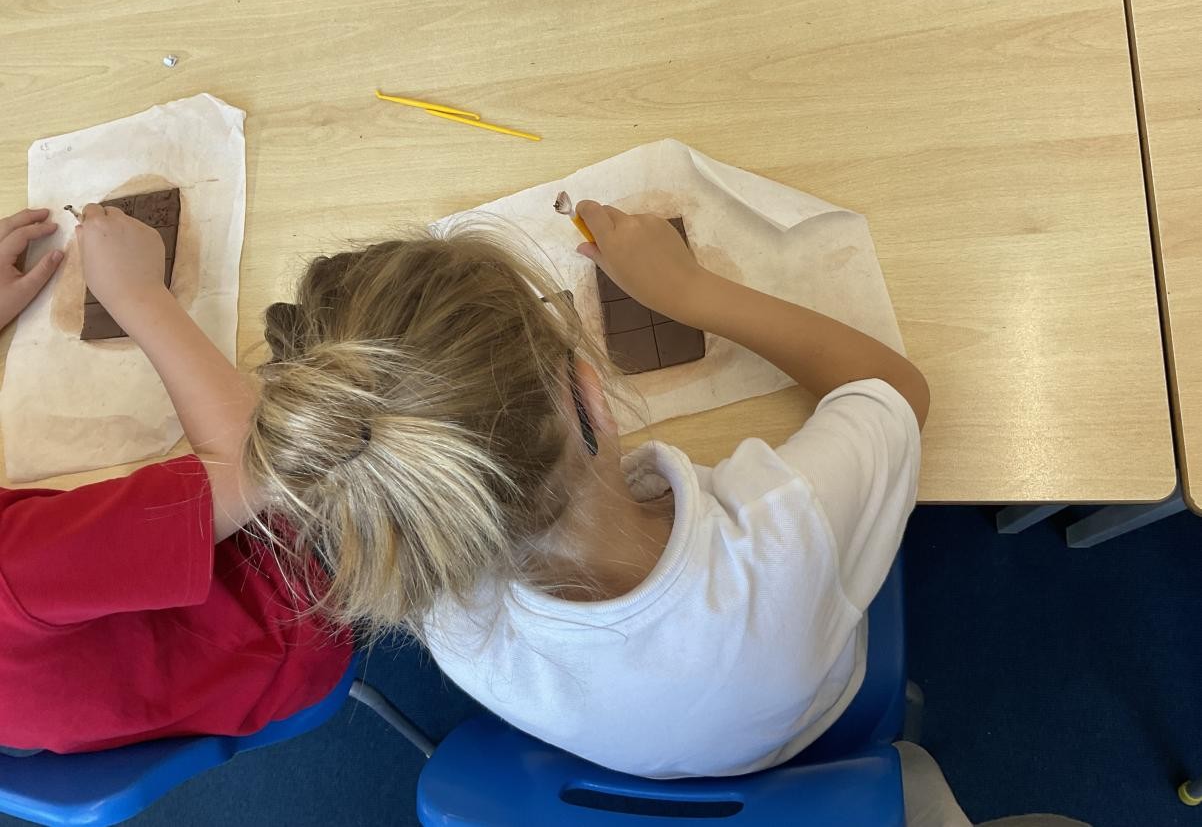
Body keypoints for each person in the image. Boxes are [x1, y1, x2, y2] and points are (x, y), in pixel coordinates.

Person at [246, 200, 929, 779]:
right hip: (816, 718)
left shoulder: (439, 600)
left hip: (652, 757)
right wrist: (690, 291)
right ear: (590, 394)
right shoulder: (782, 532)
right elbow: (895, 390)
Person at [0, 205, 352, 755]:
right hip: (294, 605)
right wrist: (137, 293)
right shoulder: (21, 569)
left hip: (175, 650)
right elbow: (255, 462)